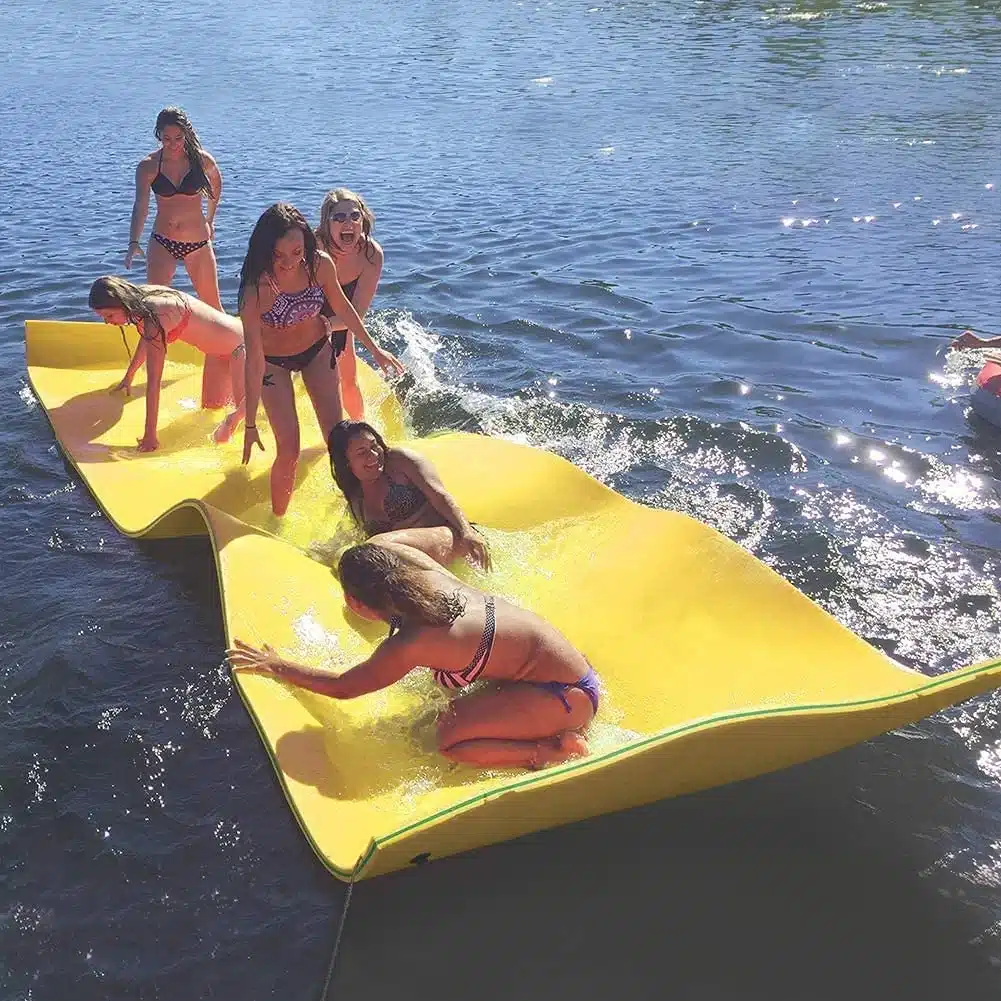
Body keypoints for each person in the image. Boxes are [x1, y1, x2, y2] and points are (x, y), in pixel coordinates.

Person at [226, 539, 600, 770]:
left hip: (567, 697)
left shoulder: (410, 644)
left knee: (450, 741)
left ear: (355, 603)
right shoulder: (430, 578)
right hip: (566, 673)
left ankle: (552, 752)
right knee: (439, 705)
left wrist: (277, 665)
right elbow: (393, 545)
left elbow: (344, 687)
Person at [238, 203, 405, 517]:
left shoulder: (319, 264)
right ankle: (278, 520)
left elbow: (344, 310)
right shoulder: (254, 289)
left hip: (316, 351)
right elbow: (254, 358)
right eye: (279, 255)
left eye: (296, 252)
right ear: (265, 250)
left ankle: (359, 512)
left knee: (338, 442)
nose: (289, 262)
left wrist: (375, 349)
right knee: (289, 450)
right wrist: (249, 423)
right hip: (273, 363)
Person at [125, 106, 230, 409]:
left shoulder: (202, 161)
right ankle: (131, 375)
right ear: (158, 135)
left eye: (178, 138)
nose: (172, 144)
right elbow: (141, 206)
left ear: (187, 134)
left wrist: (210, 220)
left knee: (214, 309)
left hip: (198, 244)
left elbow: (216, 187)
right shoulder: (148, 166)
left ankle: (230, 372)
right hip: (162, 242)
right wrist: (133, 242)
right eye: (166, 138)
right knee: (152, 312)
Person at [89, 276, 246, 452]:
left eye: (109, 315)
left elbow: (154, 382)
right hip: (217, 353)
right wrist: (129, 376)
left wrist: (150, 436)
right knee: (211, 409)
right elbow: (147, 338)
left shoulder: (156, 315)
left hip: (241, 348)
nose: (107, 322)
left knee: (246, 419)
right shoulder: (141, 300)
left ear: (122, 302)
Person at [327, 419, 490, 569]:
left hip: (448, 539)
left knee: (378, 546)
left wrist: (466, 531)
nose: (374, 455)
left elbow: (440, 496)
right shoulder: (355, 500)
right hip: (411, 562)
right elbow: (345, 537)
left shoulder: (400, 462)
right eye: (362, 452)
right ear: (346, 462)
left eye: (374, 445)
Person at [316, 188, 384, 419]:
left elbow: (356, 314)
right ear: (327, 223)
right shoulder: (314, 247)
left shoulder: (371, 255)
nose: (348, 223)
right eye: (339, 217)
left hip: (343, 317)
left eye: (355, 216)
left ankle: (359, 425)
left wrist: (326, 326)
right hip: (309, 309)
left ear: (363, 220)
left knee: (348, 380)